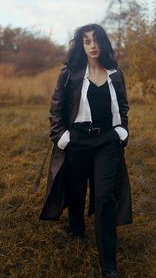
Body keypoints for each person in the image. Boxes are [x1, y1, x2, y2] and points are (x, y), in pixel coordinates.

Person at [39, 23, 132, 278]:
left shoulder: (115, 73)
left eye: (97, 40)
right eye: (87, 41)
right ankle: (77, 228)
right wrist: (60, 135)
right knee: (76, 190)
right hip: (77, 140)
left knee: (105, 198)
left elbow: (123, 106)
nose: (93, 45)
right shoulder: (70, 73)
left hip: (107, 142)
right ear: (81, 44)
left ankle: (108, 264)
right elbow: (56, 108)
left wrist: (122, 130)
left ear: (103, 43)